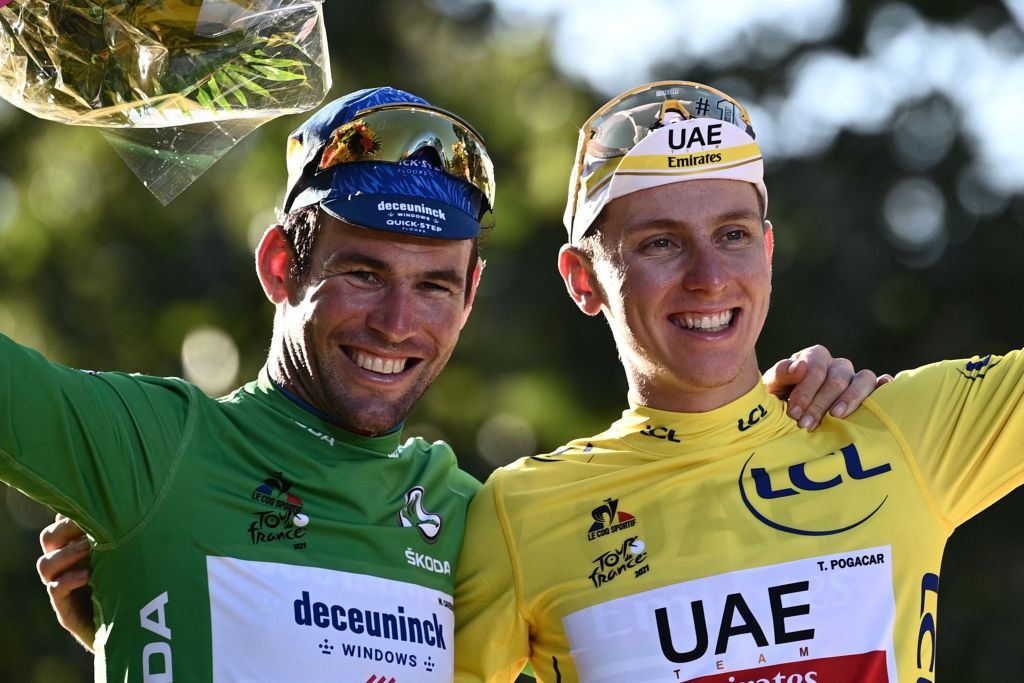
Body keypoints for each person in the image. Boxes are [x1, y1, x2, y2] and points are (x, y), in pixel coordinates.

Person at [22, 86, 877, 681]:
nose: (397, 322)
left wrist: (779, 415)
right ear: (282, 266)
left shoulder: (477, 514)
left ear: (469, 298)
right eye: (362, 271)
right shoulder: (152, 450)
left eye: (433, 284)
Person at [452, 80, 1024, 683]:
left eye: (733, 235)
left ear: (768, 250)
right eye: (661, 243)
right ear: (583, 279)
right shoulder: (520, 513)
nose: (709, 277)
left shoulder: (897, 428)